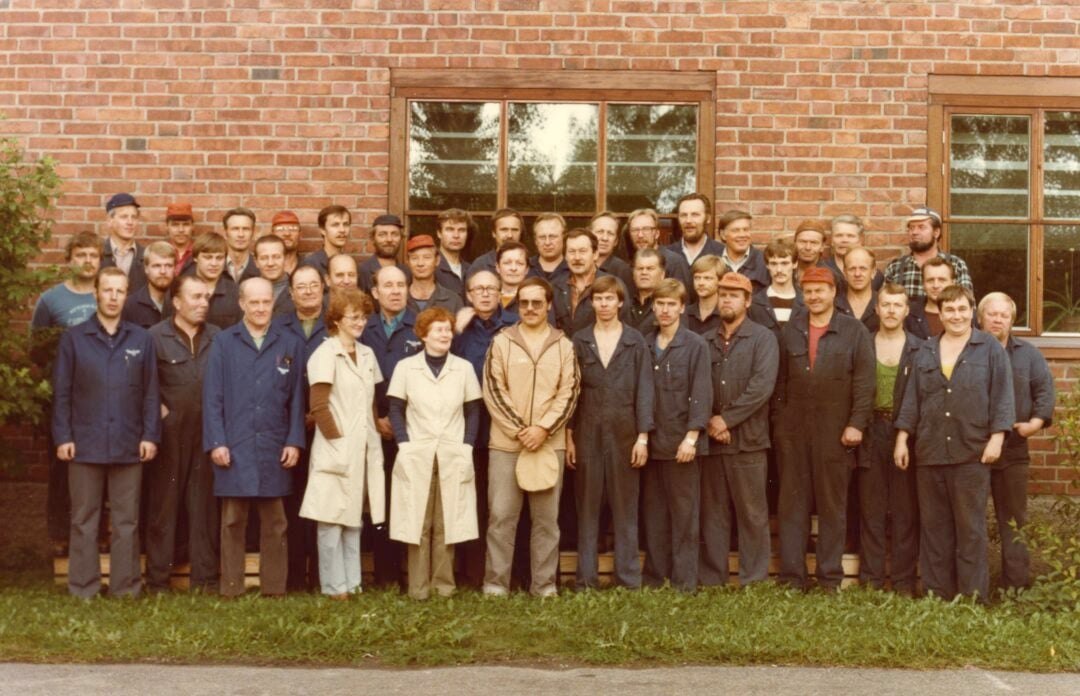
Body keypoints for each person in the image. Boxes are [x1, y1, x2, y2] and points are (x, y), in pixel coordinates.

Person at [894, 285, 1014, 600]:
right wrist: (903, 439)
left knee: (970, 529)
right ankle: (938, 594)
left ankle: (973, 597)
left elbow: (1003, 395)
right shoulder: (926, 350)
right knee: (934, 529)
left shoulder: (988, 347)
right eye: (949, 310)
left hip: (971, 451)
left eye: (962, 309)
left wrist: (997, 438)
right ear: (941, 313)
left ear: (971, 310)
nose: (956, 315)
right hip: (930, 451)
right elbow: (912, 399)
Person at [52, 267, 160, 597]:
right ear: (96, 293)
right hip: (84, 443)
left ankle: (125, 587)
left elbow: (151, 392)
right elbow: (62, 393)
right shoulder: (74, 338)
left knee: (127, 520)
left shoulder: (141, 338)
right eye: (107, 290)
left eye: (120, 291)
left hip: (129, 442)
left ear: (127, 295)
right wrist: (63, 437)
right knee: (84, 518)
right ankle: (83, 587)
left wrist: (150, 435)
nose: (113, 297)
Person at [203, 277, 306, 597]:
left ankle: (274, 588)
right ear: (242, 304)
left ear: (272, 304)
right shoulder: (224, 342)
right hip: (235, 443)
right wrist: (217, 442)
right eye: (254, 302)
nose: (261, 308)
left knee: (276, 521)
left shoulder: (289, 342)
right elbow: (212, 397)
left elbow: (297, 400)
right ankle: (232, 586)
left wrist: (293, 440)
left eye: (266, 302)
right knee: (233, 520)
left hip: (274, 444)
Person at [774, 266, 874, 591]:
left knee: (833, 507)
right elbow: (780, 384)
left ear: (833, 292)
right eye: (809, 291)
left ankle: (830, 578)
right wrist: (780, 425)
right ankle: (792, 577)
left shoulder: (853, 331)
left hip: (836, 433)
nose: (814, 296)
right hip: (794, 434)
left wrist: (856, 424)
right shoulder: (791, 330)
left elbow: (864, 383)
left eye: (821, 290)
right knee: (793, 506)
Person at [482, 277, 579, 597]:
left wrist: (544, 430)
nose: (530, 308)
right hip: (507, 445)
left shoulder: (564, 345)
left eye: (537, 302)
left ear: (549, 305)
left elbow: (569, 392)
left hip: (548, 446)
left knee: (546, 522)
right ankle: (496, 585)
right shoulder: (502, 342)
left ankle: (544, 586)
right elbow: (494, 390)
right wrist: (523, 430)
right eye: (524, 303)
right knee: (501, 518)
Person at [388, 307, 483, 600]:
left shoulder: (463, 368)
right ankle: (418, 588)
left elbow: (473, 411)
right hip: (416, 452)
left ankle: (443, 586)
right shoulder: (406, 368)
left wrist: (467, 445)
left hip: (452, 453)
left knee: (447, 523)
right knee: (417, 522)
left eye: (447, 329)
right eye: (438, 329)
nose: (444, 334)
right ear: (423, 334)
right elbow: (395, 409)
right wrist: (403, 443)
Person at [568, 275, 653, 589]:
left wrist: (643, 437)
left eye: (609, 299)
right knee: (587, 506)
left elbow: (645, 390)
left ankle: (628, 578)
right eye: (598, 299)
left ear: (620, 302)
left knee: (625, 507)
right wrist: (569, 435)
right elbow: (570, 393)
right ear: (592, 303)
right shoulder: (579, 340)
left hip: (625, 432)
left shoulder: (634, 341)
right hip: (587, 431)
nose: (604, 304)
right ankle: (585, 579)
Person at [300, 288, 385, 599]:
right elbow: (319, 407)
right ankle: (334, 587)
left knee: (354, 522)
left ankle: (353, 583)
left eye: (363, 317)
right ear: (336, 320)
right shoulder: (324, 354)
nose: (360, 322)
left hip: (363, 448)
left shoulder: (367, 354)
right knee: (331, 521)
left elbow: (371, 403)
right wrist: (337, 442)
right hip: (335, 448)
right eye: (353, 317)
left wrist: (372, 434)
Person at [699, 272, 778, 587]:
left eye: (734, 295)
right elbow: (697, 386)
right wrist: (709, 421)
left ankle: (754, 580)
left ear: (747, 301)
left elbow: (761, 387)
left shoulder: (763, 338)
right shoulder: (704, 340)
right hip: (713, 441)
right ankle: (713, 577)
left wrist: (726, 420)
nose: (727, 299)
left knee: (752, 515)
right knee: (713, 514)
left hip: (748, 442)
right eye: (723, 294)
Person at [145, 274, 221, 593]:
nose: (203, 303)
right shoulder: (153, 337)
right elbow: (143, 383)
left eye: (206, 297)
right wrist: (159, 412)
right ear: (176, 302)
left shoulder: (219, 337)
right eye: (195, 297)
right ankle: (158, 581)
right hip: (170, 434)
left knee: (204, 507)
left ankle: (205, 580)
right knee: (164, 506)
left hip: (206, 432)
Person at [979, 292, 1055, 590]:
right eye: (991, 314)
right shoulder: (966, 350)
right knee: (970, 522)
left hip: (1013, 450)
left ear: (1012, 320)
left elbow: (1045, 391)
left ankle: (1016, 589)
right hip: (972, 447)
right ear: (980, 316)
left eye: (1004, 315)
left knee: (1013, 521)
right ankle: (974, 587)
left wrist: (1034, 424)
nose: (997, 319)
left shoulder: (1027, 354)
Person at [32, 231, 102, 557]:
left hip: (101, 399)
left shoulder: (107, 297)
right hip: (64, 399)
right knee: (62, 469)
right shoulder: (51, 300)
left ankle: (97, 535)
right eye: (82, 255)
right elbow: (38, 351)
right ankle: (60, 536)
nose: (88, 261)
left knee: (100, 468)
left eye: (94, 256)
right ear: (69, 259)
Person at [640, 279, 711, 591]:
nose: (665, 310)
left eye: (672, 304)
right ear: (653, 307)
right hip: (652, 444)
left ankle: (684, 581)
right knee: (654, 514)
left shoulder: (695, 345)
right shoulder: (644, 343)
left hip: (682, 444)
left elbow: (702, 392)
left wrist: (692, 437)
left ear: (683, 307)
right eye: (660, 304)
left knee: (684, 515)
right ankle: (656, 578)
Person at [451, 270, 518, 586]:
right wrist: (453, 331)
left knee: (506, 505)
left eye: (492, 288)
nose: (486, 294)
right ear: (468, 294)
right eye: (479, 289)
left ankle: (510, 573)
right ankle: (473, 572)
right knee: (474, 502)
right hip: (470, 431)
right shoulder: (459, 330)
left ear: (501, 291)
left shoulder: (514, 325)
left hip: (507, 429)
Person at [360, 265, 422, 587]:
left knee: (407, 501)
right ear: (375, 292)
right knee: (378, 502)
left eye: (401, 285)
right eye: (388, 285)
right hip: (372, 426)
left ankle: (408, 574)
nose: (396, 291)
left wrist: (401, 421)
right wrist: (375, 418)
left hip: (411, 428)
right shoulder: (363, 327)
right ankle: (384, 576)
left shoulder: (420, 327)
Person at [856, 283, 920, 594]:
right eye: (886, 304)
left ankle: (905, 582)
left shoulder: (920, 348)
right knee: (872, 508)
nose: (892, 310)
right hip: (871, 433)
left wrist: (906, 435)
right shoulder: (863, 344)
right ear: (877, 309)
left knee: (905, 510)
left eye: (898, 305)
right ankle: (871, 579)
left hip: (907, 435)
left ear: (907, 310)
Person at [273, 264, 330, 591]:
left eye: (313, 285)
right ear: (290, 292)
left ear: (323, 289)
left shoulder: (334, 325)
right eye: (300, 286)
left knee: (323, 502)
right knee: (292, 505)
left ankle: (323, 577)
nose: (307, 291)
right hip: (289, 429)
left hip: (326, 426)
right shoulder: (280, 326)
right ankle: (294, 578)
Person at [884, 206, 973, 299]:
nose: (914, 232)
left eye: (921, 227)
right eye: (911, 228)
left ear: (936, 232)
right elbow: (884, 305)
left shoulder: (956, 264)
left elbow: (968, 306)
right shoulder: (895, 266)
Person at [554, 228, 627, 338]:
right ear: (565, 256)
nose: (577, 258)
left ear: (595, 254)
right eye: (572, 252)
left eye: (583, 251)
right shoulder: (555, 287)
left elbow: (625, 329)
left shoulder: (614, 285)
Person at [183, 233, 242, 329]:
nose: (214, 263)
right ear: (195, 258)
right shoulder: (179, 289)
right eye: (208, 257)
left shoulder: (236, 293)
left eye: (219, 258)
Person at [625, 207, 692, 292]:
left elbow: (683, 300)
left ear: (657, 233)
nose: (640, 235)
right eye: (635, 230)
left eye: (646, 229)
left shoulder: (674, 263)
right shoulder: (630, 265)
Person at [749, 238, 803, 341]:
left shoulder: (806, 302)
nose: (779, 270)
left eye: (784, 263)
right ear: (767, 265)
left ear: (795, 264)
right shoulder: (755, 303)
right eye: (774, 264)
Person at [405, 234, 464, 314]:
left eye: (427, 257)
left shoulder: (453, 301)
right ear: (408, 262)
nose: (420, 263)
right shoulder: (399, 298)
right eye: (414, 258)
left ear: (437, 260)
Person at [100, 193, 147, 293]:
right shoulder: (97, 254)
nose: (130, 222)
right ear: (110, 221)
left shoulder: (146, 256)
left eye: (134, 217)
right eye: (124, 217)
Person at [123, 241, 176, 329]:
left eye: (168, 265)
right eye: (157, 266)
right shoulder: (129, 306)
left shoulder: (182, 304)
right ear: (146, 269)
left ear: (175, 268)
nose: (163, 271)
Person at [825, 214, 883, 292]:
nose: (844, 240)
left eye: (850, 236)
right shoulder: (821, 269)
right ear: (831, 240)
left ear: (861, 240)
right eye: (839, 235)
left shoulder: (875, 276)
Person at [716, 209, 770, 291]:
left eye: (746, 229)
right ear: (723, 235)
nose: (742, 235)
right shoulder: (713, 262)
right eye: (735, 230)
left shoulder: (764, 262)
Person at [905, 256, 958, 339]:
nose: (936, 285)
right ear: (923, 284)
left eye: (942, 280)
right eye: (930, 280)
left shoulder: (966, 315)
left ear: (953, 283)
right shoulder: (908, 315)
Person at [669, 193, 724, 268]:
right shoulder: (667, 254)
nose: (688, 220)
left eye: (695, 215)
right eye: (684, 215)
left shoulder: (722, 253)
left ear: (708, 218)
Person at [359, 213, 407, 295]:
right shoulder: (362, 271)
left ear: (401, 238)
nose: (389, 239)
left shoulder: (407, 272)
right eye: (382, 235)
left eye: (394, 234)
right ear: (373, 239)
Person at [834, 246, 879, 333]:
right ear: (845, 273)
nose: (857, 274)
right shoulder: (833, 306)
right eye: (852, 269)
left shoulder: (883, 305)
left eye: (863, 268)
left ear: (873, 272)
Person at [471, 208, 525, 275]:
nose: (510, 235)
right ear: (494, 233)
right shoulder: (480, 265)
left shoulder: (529, 266)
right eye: (504, 230)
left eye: (514, 230)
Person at [591, 211, 635, 292]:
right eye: (600, 232)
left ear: (616, 241)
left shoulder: (624, 270)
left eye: (610, 233)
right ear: (589, 235)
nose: (604, 238)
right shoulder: (580, 265)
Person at [304, 204, 352, 278]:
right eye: (335, 225)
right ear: (323, 230)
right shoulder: (310, 264)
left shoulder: (350, 263)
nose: (342, 230)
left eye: (346, 224)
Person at [435, 208, 474, 298]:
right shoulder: (430, 267)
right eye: (450, 229)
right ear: (439, 233)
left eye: (461, 230)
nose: (456, 235)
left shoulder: (471, 269)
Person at [253, 235, 294, 316]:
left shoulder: (298, 289)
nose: (270, 263)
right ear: (256, 262)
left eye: (276, 257)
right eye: (264, 258)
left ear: (285, 259)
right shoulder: (246, 291)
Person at [792, 219, 840, 287]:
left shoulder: (832, 276)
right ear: (795, 243)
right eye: (802, 242)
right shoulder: (784, 270)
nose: (808, 247)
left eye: (814, 243)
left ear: (822, 247)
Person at [529, 213, 570, 289]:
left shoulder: (573, 269)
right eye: (542, 237)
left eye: (552, 237)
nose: (547, 242)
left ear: (564, 238)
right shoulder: (525, 268)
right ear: (535, 241)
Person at [686, 254, 724, 335]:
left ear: (720, 281)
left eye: (707, 278)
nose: (701, 283)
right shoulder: (685, 313)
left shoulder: (725, 313)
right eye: (697, 278)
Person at [628, 248, 665, 331]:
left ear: (662, 274)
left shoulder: (668, 306)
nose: (644, 273)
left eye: (650, 268)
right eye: (640, 268)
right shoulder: (624, 305)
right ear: (633, 274)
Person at [221, 207, 260, 283]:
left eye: (246, 229)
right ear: (225, 233)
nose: (241, 234)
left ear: (253, 233)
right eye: (235, 229)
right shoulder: (215, 266)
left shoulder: (260, 268)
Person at [494, 240, 529, 312]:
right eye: (507, 263)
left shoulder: (535, 298)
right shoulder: (487, 297)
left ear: (527, 269)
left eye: (519, 263)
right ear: (498, 267)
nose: (513, 268)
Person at [166, 202, 196, 276]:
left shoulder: (199, 254)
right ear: (167, 227)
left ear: (192, 227)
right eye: (175, 225)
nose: (181, 230)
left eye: (186, 224)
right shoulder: (158, 253)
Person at [270, 210, 302, 276]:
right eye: (280, 229)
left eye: (293, 228)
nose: (287, 233)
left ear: (300, 234)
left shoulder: (309, 265)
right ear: (272, 234)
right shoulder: (263, 267)